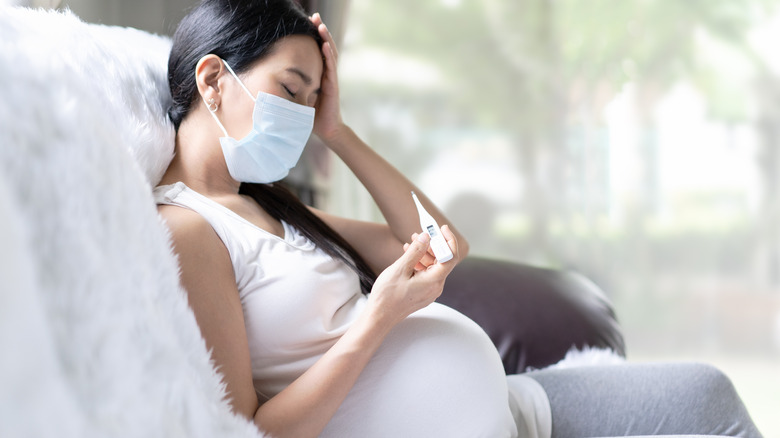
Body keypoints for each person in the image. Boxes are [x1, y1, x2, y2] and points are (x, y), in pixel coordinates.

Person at [156, 1, 763, 437]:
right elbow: (250, 432)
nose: (304, 114)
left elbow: (438, 241)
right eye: (293, 91)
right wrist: (382, 315)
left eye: (315, 99)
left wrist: (337, 132)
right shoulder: (190, 231)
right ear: (213, 79)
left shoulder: (268, 207)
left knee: (706, 395)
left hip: (512, 410)